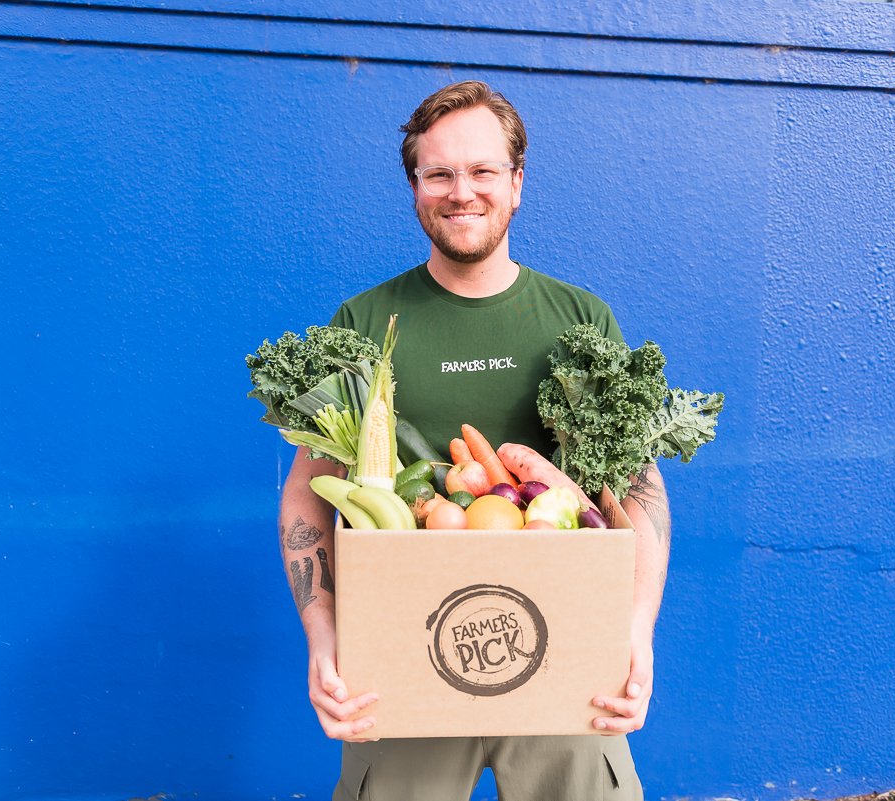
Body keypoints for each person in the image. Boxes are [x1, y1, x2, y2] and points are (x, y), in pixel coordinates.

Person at [278, 80, 671, 801]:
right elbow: (309, 493)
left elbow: (638, 488)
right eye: (440, 173)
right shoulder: (364, 322)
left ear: (517, 183)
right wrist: (323, 636)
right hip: (402, 652)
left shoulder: (578, 317)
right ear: (416, 188)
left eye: (485, 170)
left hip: (566, 643)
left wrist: (636, 632)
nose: (463, 191)